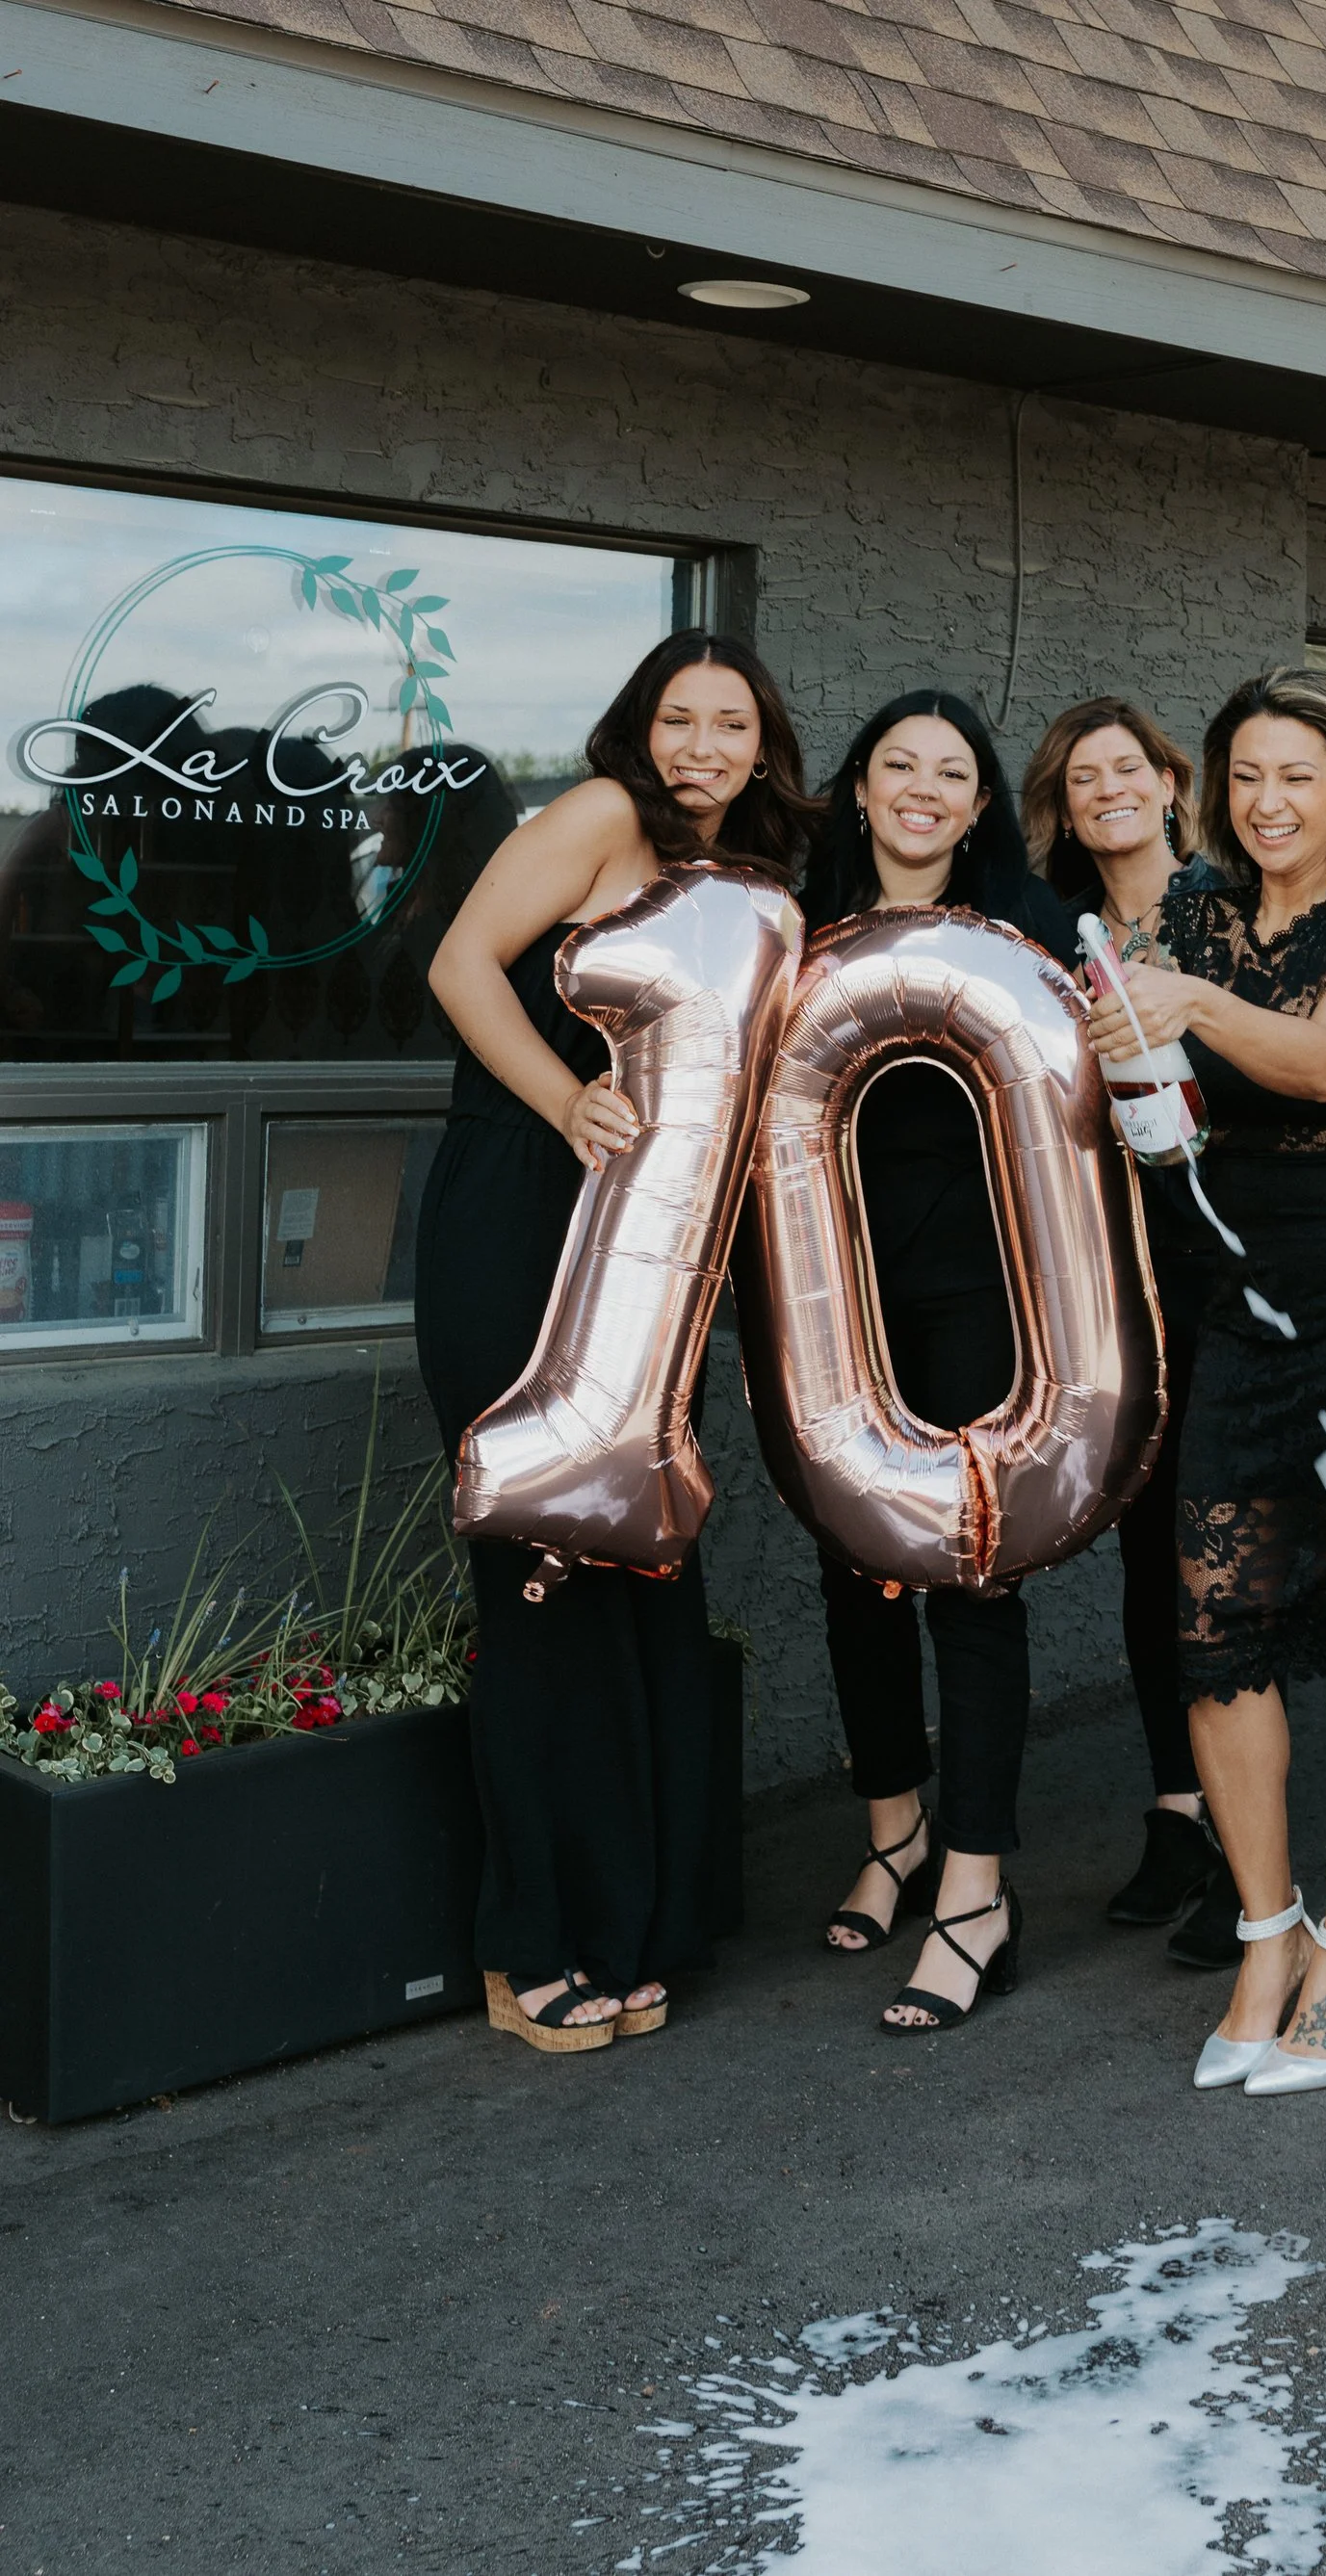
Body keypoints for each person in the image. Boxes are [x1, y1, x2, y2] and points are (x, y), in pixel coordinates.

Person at [419, 630, 812, 2052]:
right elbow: (460, 964)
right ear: (635, 726)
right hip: (522, 1212)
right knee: (537, 1560)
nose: (700, 746)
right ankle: (528, 1946)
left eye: (730, 725)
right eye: (677, 718)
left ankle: (635, 1919)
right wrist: (562, 1101)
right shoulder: (597, 818)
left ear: (764, 746)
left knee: (641, 1565)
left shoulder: (751, 882)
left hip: (646, 1250)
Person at [1086, 667, 1326, 2098]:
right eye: (1245, 775)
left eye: (1296, 774)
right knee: (1217, 1615)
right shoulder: (1187, 914)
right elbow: (1139, 1082)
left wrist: (1177, 998)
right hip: (1232, 1294)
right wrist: (1126, 1037)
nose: (1268, 800)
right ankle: (1267, 1929)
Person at [806, 690, 1078, 2034]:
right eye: (897, 763)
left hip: (980, 1282)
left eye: (951, 771)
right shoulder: (798, 933)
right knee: (853, 1563)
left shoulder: (1019, 938)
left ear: (979, 808)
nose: (922, 786)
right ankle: (896, 1826)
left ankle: (977, 1887)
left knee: (971, 1569)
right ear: (858, 788)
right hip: (830, 1285)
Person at [1022, 697, 1241, 1961]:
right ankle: (1179, 1809)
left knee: (1223, 1554)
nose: (1106, 788)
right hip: (1110, 1268)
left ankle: (1237, 1834)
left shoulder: (1226, 910)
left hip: (1228, 1256)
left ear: (1169, 781)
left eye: (1127, 767)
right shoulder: (1049, 934)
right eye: (1079, 775)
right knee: (1148, 1545)